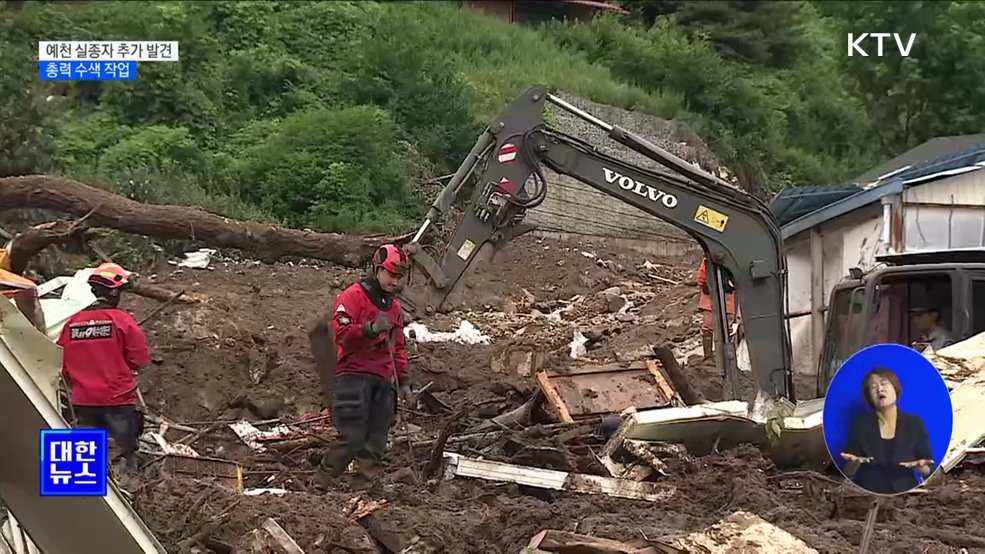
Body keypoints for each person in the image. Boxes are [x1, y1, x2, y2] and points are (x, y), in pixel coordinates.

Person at [314, 244, 414, 489]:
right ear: (377, 268)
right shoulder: (353, 296)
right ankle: (320, 482)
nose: (394, 281)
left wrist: (403, 378)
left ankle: (365, 487)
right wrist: (369, 329)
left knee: (377, 438)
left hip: (383, 378)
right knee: (352, 436)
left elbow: (398, 346)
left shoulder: (394, 308)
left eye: (399, 276)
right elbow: (341, 333)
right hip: (354, 375)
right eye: (391, 274)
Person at [57, 262, 151, 471]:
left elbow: (59, 362)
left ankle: (77, 500)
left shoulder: (72, 323)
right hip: (117, 399)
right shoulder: (122, 321)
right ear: (114, 291)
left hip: (82, 401)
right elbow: (140, 359)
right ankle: (127, 496)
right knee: (124, 457)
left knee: (80, 466)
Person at [839, 367, 935, 494]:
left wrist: (920, 467)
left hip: (907, 494)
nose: (880, 389)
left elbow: (930, 469)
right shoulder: (860, 424)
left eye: (884, 383)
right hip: (869, 493)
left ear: (895, 387)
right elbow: (848, 472)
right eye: (873, 387)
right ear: (869, 397)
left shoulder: (914, 423)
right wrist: (854, 464)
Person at [696, 257, 736, 359]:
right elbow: (701, 276)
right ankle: (710, 356)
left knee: (724, 327)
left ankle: (722, 355)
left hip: (724, 293)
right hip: (713, 293)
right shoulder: (710, 259)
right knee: (713, 326)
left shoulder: (710, 258)